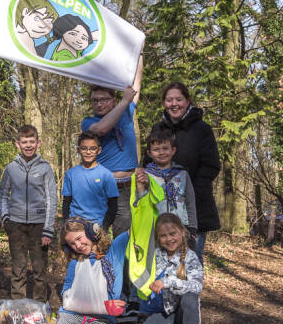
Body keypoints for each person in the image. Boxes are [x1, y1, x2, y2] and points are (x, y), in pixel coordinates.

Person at [146, 82, 220, 263]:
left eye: (179, 99)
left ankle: (190, 291)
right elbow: (148, 162)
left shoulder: (201, 129)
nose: (174, 104)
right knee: (162, 261)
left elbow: (211, 165)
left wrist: (190, 193)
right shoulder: (158, 129)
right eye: (169, 100)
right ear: (164, 103)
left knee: (191, 259)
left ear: (188, 101)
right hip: (160, 209)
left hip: (195, 207)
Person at [47, 218, 129, 324]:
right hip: (72, 315)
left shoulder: (114, 251)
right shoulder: (75, 261)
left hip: (100, 319)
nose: (77, 245)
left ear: (93, 232)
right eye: (72, 243)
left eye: (79, 238)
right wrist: (72, 299)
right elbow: (66, 290)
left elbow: (137, 229)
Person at [81, 56, 143, 237]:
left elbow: (137, 82)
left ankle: (119, 266)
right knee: (98, 235)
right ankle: (98, 265)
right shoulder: (89, 122)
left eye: (104, 100)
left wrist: (139, 54)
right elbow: (102, 129)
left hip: (127, 187)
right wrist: (124, 101)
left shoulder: (127, 110)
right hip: (102, 185)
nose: (99, 104)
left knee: (123, 238)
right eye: (95, 101)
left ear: (113, 100)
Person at [139, 213, 203, 324]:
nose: (169, 239)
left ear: (182, 232)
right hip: (164, 309)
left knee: (190, 298)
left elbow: (196, 286)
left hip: (184, 310)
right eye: (163, 236)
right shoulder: (155, 255)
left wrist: (168, 282)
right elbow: (143, 278)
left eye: (172, 233)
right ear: (158, 238)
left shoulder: (191, 257)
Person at [0, 124, 57, 301]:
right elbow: (3, 195)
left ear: (38, 143)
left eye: (32, 141)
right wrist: (6, 218)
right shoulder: (11, 168)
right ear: (18, 144)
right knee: (18, 267)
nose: (28, 145)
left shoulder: (45, 168)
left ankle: (39, 305)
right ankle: (18, 304)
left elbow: (51, 199)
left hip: (39, 225)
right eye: (24, 142)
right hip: (16, 225)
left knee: (39, 269)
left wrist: (48, 229)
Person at [142, 129, 197, 235]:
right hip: (154, 228)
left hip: (181, 227)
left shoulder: (182, 174)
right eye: (156, 149)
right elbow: (141, 204)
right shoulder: (145, 176)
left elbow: (190, 201)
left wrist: (192, 228)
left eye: (165, 148)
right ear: (149, 153)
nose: (161, 152)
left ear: (173, 150)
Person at [62, 131, 119, 231]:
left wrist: (104, 227)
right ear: (78, 150)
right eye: (84, 148)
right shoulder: (70, 174)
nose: (88, 152)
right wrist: (66, 223)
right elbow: (66, 202)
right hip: (75, 225)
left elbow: (113, 205)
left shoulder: (106, 175)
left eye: (93, 148)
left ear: (99, 150)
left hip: (97, 226)